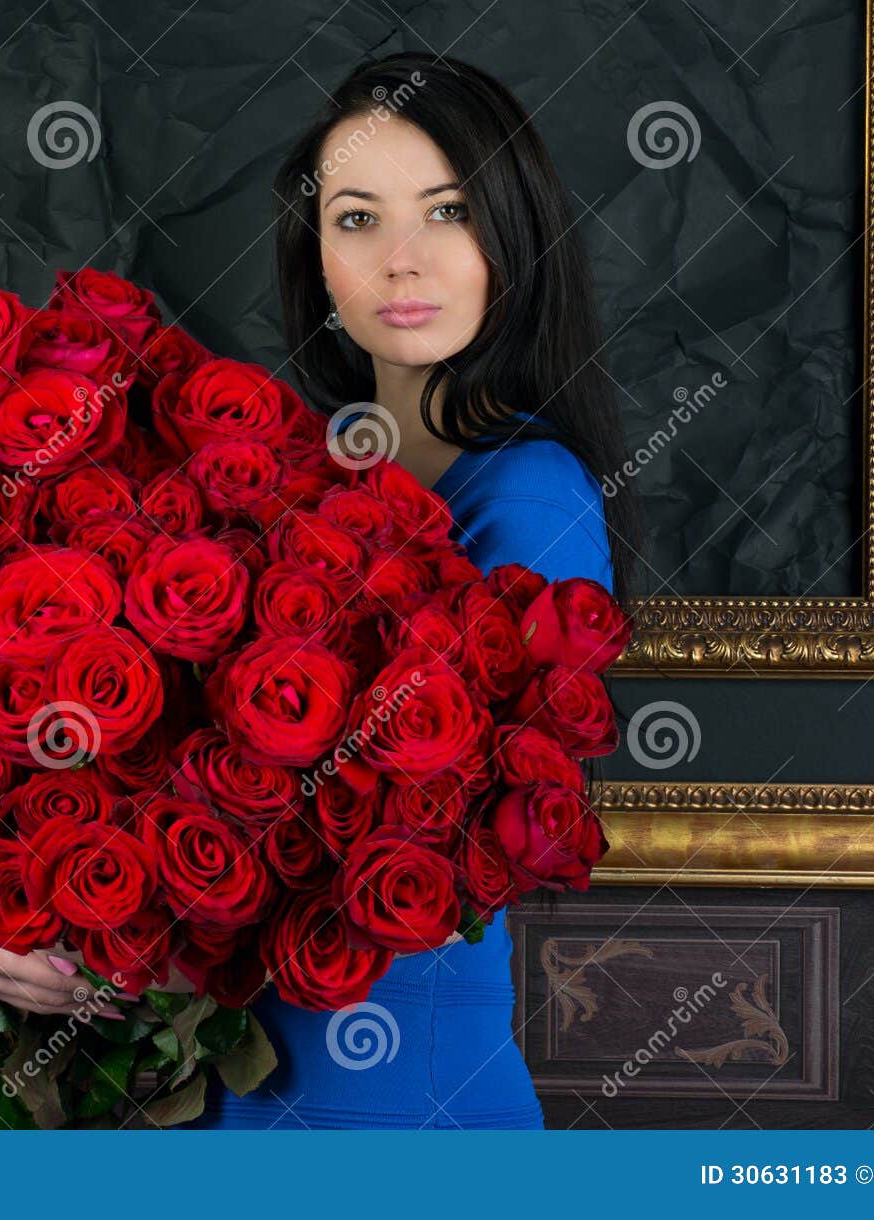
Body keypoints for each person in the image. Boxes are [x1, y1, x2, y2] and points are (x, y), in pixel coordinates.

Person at [190, 50, 642, 1129]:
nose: (401, 260)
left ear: (513, 237)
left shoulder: (531, 495)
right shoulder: (298, 482)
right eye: (355, 220)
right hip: (240, 1074)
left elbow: (444, 865)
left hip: (394, 1095)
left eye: (446, 211)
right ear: (316, 262)